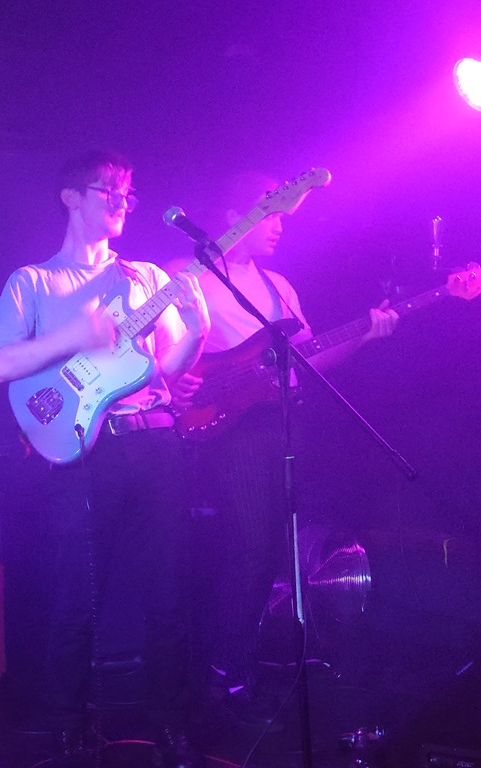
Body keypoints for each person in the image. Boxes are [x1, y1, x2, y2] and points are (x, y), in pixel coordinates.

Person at [0, 150, 209, 765]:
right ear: (71, 198)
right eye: (109, 191)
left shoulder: (146, 278)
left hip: (156, 441)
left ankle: (170, 725)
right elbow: (2, 364)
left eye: (127, 194)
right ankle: (66, 726)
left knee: (169, 591)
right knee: (77, 595)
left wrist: (196, 331)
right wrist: (75, 336)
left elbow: (164, 369)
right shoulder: (33, 281)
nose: (122, 203)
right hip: (86, 451)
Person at [169, 171, 398, 720]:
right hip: (221, 429)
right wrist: (176, 381)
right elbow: (154, 349)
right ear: (236, 217)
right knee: (248, 546)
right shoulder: (186, 275)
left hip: (277, 424)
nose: (279, 227)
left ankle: (240, 666)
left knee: (270, 548)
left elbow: (307, 363)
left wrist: (363, 336)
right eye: (270, 214)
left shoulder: (279, 288)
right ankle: (221, 674)